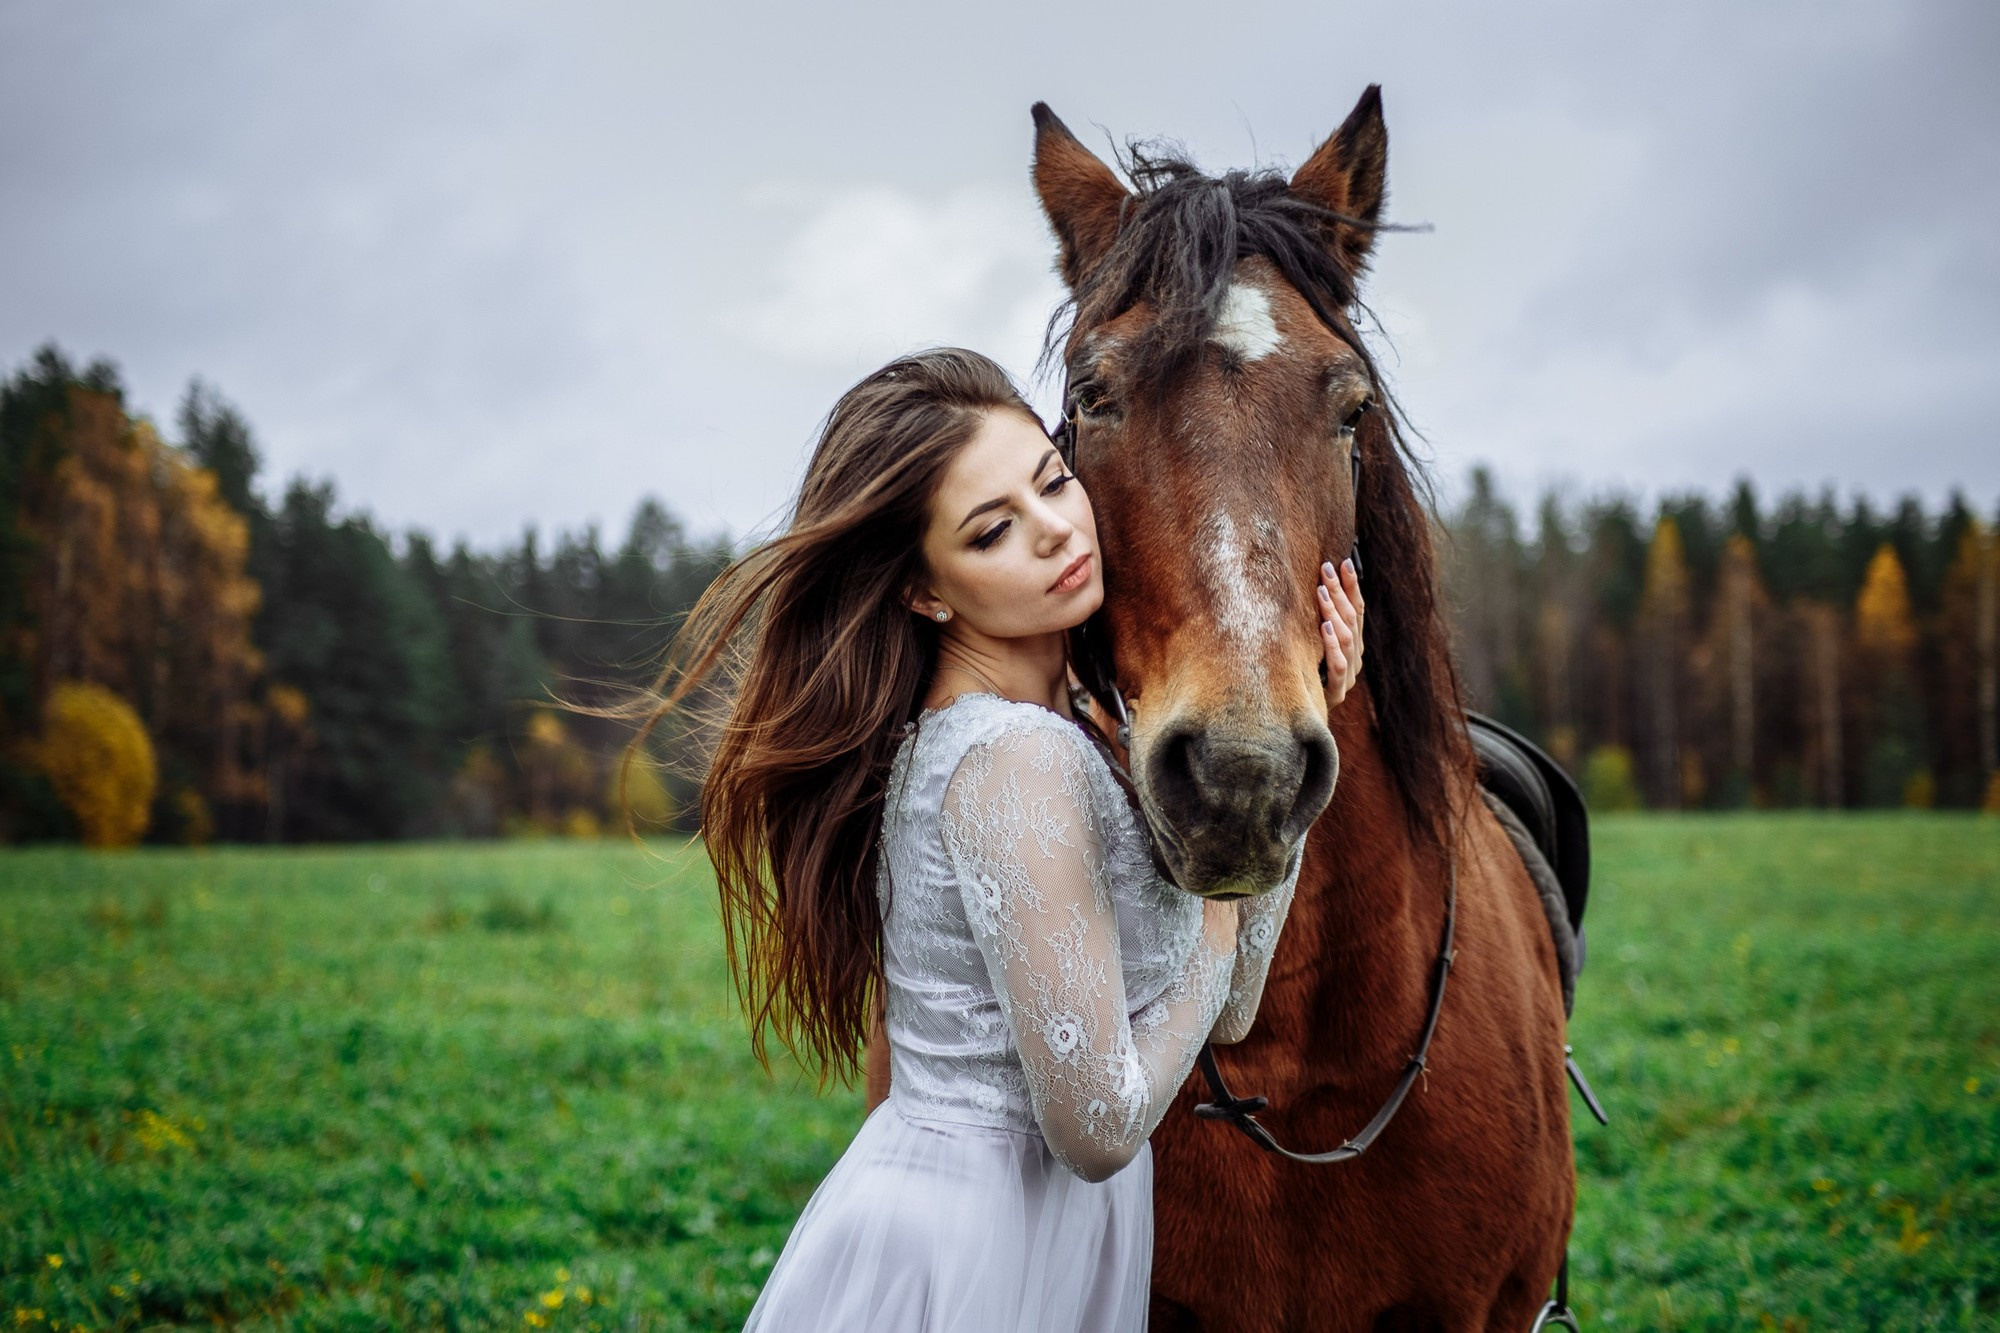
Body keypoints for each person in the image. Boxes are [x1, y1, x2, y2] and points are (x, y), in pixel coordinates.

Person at [643, 349, 1364, 1331]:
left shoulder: (1060, 735)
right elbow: (1098, 1129)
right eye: (992, 530)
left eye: (1052, 482)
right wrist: (1213, 920)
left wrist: (1297, 728)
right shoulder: (1014, 760)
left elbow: (1229, 1009)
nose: (1055, 529)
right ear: (925, 591)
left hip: (1042, 1239)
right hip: (977, 1248)